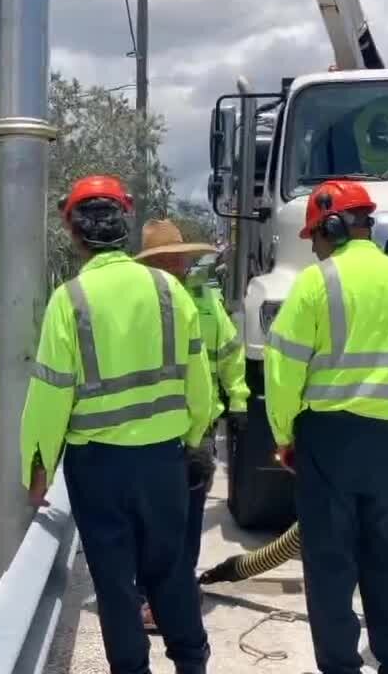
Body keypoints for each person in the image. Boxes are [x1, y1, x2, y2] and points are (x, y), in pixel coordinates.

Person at [21, 176, 215, 674]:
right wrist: (192, 442)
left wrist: (38, 464)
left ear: (74, 233)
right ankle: (192, 664)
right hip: (163, 461)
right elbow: (198, 382)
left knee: (114, 581)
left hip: (98, 468)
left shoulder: (71, 300)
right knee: (171, 572)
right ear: (125, 226)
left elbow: (49, 392)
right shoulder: (170, 290)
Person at [263, 180, 388, 674]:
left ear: (332, 226)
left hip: (328, 437)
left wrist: (283, 435)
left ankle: (341, 664)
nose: (314, 246)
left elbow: (283, 368)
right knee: (386, 553)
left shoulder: (317, 283)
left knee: (330, 560)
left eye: (314, 236)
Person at [133, 218, 250, 631]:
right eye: (168, 261)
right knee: (151, 523)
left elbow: (229, 351)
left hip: (196, 431)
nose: (178, 267)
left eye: (179, 260)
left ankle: (176, 591)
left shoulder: (204, 299)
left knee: (186, 520)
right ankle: (152, 598)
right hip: (154, 429)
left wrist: (238, 400)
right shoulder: (138, 302)